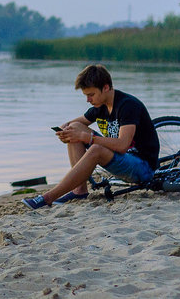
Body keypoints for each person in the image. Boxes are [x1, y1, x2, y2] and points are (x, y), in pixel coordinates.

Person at [23, 64, 159, 209]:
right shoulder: (100, 106)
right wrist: (65, 130)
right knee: (74, 128)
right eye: (86, 95)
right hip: (123, 161)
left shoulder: (128, 106)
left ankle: (47, 197)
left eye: (91, 94)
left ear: (106, 88)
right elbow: (74, 123)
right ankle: (79, 190)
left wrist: (87, 137)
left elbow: (122, 145)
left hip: (143, 167)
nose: (88, 99)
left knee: (96, 148)